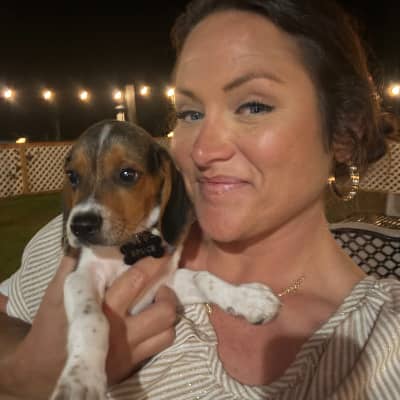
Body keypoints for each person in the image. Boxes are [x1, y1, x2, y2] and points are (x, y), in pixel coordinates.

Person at [1, 0, 399, 398]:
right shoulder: (97, 230)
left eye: (253, 106)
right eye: (189, 113)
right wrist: (21, 371)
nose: (202, 150)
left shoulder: (380, 347)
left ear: (345, 133)